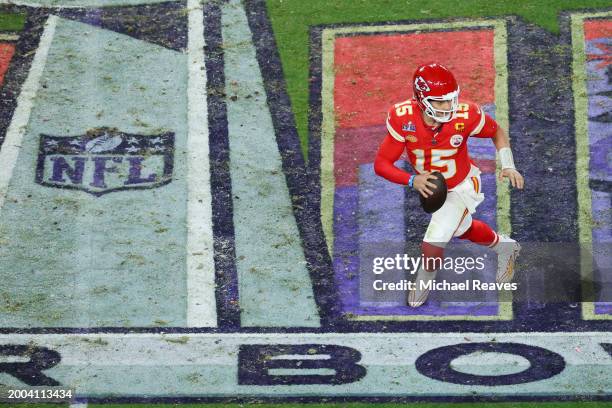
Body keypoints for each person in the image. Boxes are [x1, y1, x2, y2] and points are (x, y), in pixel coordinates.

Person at [373, 62, 524, 307]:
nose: (448, 106)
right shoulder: (404, 119)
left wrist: (508, 164)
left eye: (451, 99)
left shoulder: (466, 115)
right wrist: (413, 180)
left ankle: (423, 282)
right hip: (437, 188)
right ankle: (506, 247)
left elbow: (497, 132)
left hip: (464, 184)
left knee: (433, 241)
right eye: (440, 101)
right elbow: (381, 164)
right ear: (422, 100)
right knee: (463, 229)